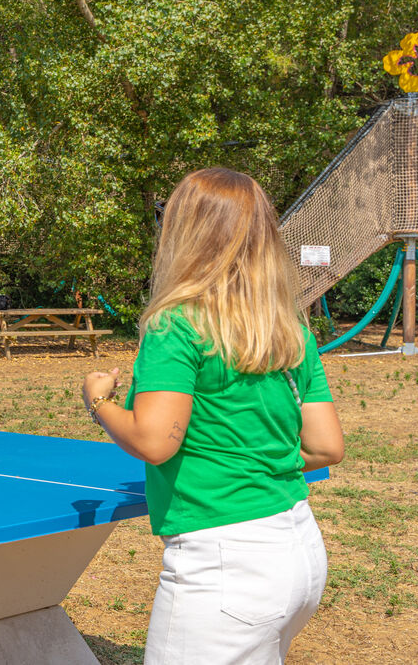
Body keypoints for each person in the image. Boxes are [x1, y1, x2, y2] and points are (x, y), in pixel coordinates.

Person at [81, 168, 344, 664]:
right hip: (299, 550)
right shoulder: (290, 330)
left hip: (225, 565)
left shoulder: (175, 325)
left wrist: (99, 402)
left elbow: (156, 441)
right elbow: (327, 447)